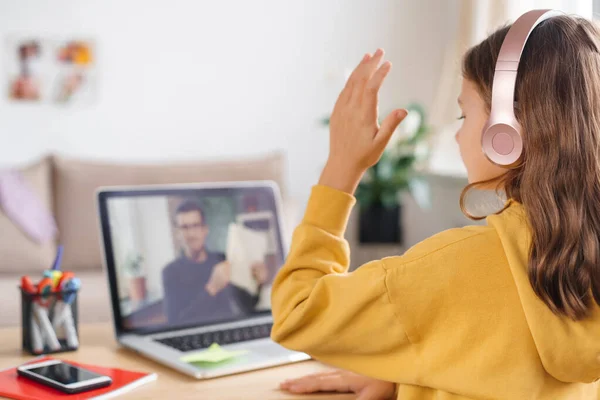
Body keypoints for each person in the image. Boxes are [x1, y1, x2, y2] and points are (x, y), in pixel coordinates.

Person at [270, 12, 600, 400]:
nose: (458, 134)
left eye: (464, 113)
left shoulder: (452, 269)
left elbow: (296, 313)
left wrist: (341, 169)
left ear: (505, 133)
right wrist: (410, 375)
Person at [162, 200, 269, 326]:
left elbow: (248, 305)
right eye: (184, 227)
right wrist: (212, 288)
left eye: (195, 226)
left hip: (230, 329)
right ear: (178, 233)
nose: (191, 234)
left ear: (205, 230)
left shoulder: (222, 259)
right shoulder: (170, 272)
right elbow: (175, 323)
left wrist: (259, 284)